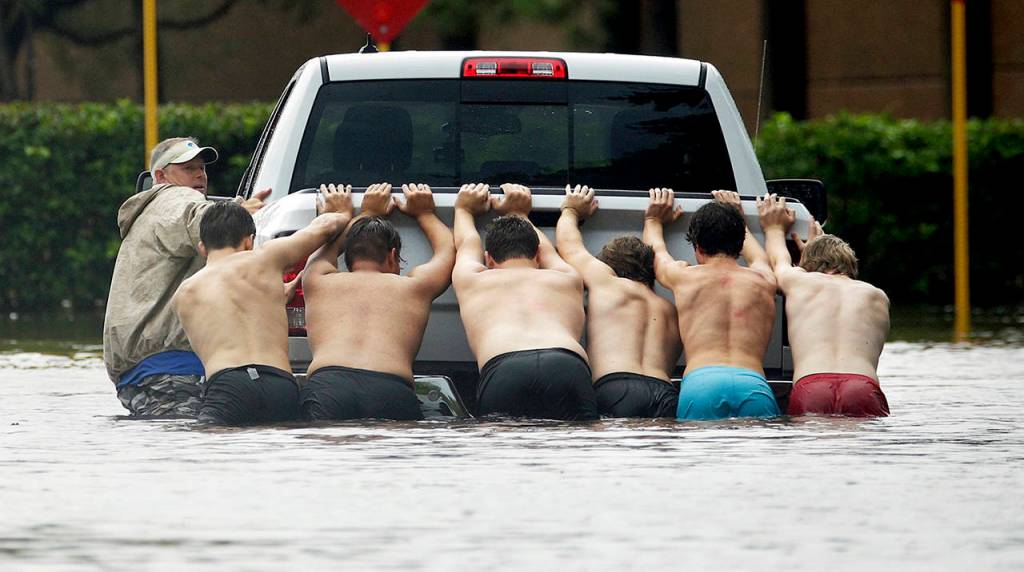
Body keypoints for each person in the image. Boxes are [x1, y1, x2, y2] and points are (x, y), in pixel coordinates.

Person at [103, 136, 270, 417]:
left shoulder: (151, 212)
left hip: (141, 373)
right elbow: (201, 219)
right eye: (187, 168)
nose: (199, 175)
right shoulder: (174, 196)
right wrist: (240, 214)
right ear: (160, 176)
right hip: (171, 370)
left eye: (201, 168)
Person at [172, 185, 352, 425]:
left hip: (228, 385)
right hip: (279, 384)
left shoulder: (184, 294)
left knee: (214, 456)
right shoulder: (267, 258)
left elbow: (228, 314)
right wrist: (342, 212)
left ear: (202, 247)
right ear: (249, 241)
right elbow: (326, 226)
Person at [299, 183, 455, 421]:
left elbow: (325, 248)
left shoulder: (317, 279)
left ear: (348, 258)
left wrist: (365, 213)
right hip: (390, 389)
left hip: (328, 387)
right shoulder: (415, 287)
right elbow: (447, 250)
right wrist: (425, 213)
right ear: (393, 256)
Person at [452, 183, 598, 421]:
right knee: (577, 451)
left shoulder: (472, 279)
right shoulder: (566, 278)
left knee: (502, 451)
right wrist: (519, 213)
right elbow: (547, 251)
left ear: (488, 259)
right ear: (538, 256)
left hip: (505, 367)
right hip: (566, 364)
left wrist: (463, 210)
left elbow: (467, 242)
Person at [643, 188, 780, 420]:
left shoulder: (684, 277)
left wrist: (653, 220)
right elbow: (759, 258)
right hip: (753, 385)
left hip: (702, 385)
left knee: (700, 456)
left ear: (698, 247)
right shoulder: (764, 280)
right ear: (740, 245)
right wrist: (738, 217)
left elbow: (656, 253)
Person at [757, 193, 891, 416]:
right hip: (862, 387)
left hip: (813, 386)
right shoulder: (877, 296)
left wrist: (774, 228)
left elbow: (778, 259)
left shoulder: (800, 282)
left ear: (807, 266)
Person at [555, 185, 681, 417]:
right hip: (664, 392)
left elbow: (569, 248)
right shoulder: (671, 310)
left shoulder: (609, 284)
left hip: (617, 387)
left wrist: (570, 210)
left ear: (609, 267)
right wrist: (653, 221)